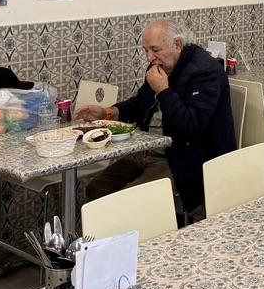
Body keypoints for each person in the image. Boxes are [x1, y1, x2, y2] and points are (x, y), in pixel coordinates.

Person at [76, 18, 236, 214]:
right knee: (95, 189)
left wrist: (164, 91)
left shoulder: (205, 71)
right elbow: (140, 103)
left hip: (187, 156)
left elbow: (191, 127)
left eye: (155, 50)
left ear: (177, 45)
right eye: (145, 50)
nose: (149, 58)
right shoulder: (161, 66)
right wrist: (108, 112)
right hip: (150, 147)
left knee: (132, 202)